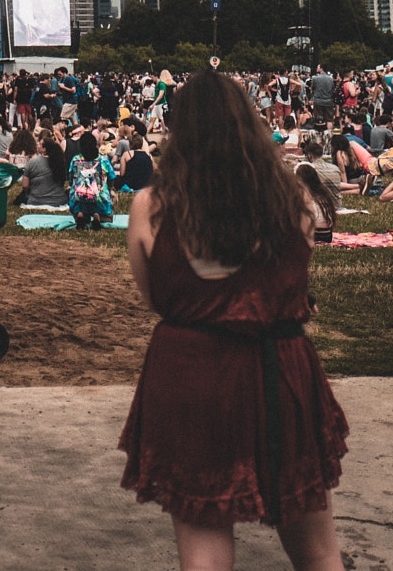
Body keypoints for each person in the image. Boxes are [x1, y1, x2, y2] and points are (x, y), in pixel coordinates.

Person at [118, 69, 347, 570]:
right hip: (278, 371)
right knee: (318, 550)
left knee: (204, 547)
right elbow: (291, 283)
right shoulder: (294, 204)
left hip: (193, 371)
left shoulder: (152, 208)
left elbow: (159, 298)